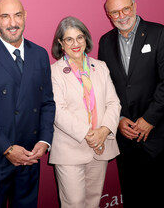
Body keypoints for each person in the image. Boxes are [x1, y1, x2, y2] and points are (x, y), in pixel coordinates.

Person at [0, 0, 56, 208]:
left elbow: (47, 103)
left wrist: (44, 141)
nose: (12, 22)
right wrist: (7, 149)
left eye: (17, 15)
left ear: (25, 16)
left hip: (30, 154)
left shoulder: (40, 54)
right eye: (5, 16)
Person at [98, 0, 164, 207]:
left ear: (134, 6)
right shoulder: (105, 42)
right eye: (115, 12)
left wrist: (149, 119)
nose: (122, 15)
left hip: (154, 130)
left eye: (126, 8)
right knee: (131, 192)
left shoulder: (159, 33)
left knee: (154, 194)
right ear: (108, 15)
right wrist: (119, 118)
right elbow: (107, 87)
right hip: (124, 132)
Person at [49, 16, 121, 208]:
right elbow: (58, 111)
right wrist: (89, 135)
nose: (75, 43)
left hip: (100, 145)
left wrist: (103, 131)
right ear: (61, 43)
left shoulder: (101, 67)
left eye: (80, 37)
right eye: (69, 39)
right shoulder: (54, 71)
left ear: (86, 39)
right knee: (74, 204)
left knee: (93, 201)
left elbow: (113, 102)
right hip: (70, 147)